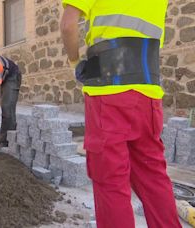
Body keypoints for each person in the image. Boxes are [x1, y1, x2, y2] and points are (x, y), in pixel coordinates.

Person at [60, 1, 181, 228]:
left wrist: (75, 63)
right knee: (153, 175)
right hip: (148, 93)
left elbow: (68, 25)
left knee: (110, 180)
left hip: (109, 93)